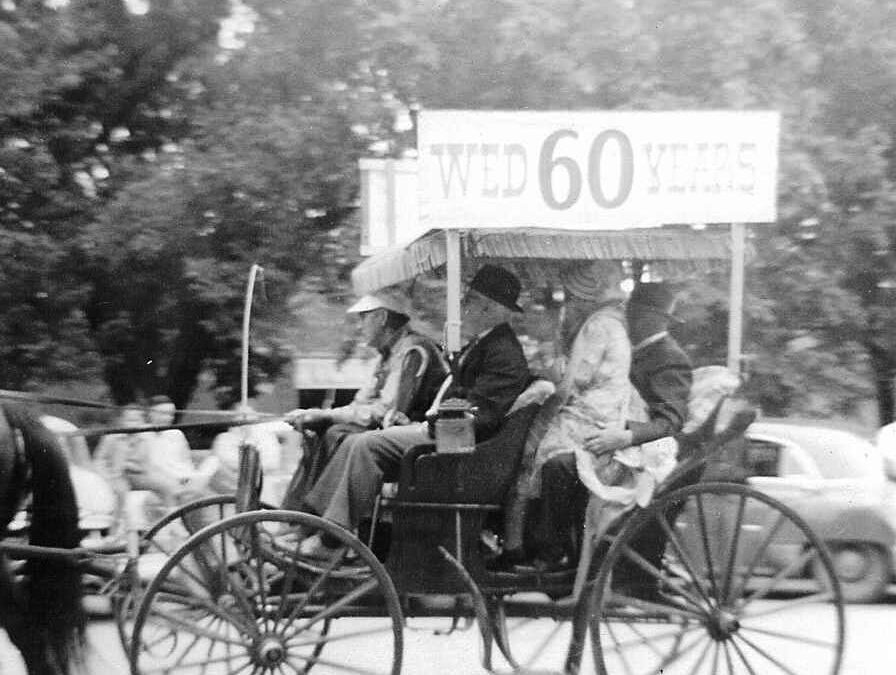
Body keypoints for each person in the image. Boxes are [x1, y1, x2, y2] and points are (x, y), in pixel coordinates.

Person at [296, 264, 531, 558]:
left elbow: (482, 417)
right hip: (448, 436)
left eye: (467, 300)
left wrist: (429, 423)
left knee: (365, 444)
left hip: (458, 448)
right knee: (356, 441)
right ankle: (314, 524)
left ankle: (331, 541)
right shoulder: (487, 345)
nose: (461, 307)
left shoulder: (502, 353)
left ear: (487, 308)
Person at [498, 262, 631, 569]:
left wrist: (547, 373)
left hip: (593, 414)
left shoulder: (599, 325)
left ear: (587, 295)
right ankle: (523, 543)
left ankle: (537, 548)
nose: (568, 304)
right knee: (531, 439)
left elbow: (575, 380)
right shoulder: (609, 322)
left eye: (572, 296)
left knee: (531, 450)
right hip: (598, 408)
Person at [281, 289, 447, 509]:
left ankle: (312, 520)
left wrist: (326, 415)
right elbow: (361, 404)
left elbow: (384, 410)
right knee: (318, 432)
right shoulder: (388, 354)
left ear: (381, 318)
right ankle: (296, 516)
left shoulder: (414, 351)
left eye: (363, 318)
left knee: (335, 434)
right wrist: (321, 415)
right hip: (395, 433)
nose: (359, 326)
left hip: (412, 439)